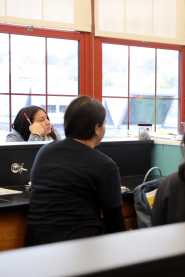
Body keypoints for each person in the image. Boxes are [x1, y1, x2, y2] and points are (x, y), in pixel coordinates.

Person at [25, 96, 125, 246]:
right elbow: (115, 223)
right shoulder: (104, 165)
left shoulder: (44, 152)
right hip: (79, 251)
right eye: (103, 123)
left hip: (35, 247)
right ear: (97, 129)